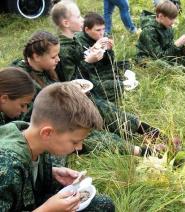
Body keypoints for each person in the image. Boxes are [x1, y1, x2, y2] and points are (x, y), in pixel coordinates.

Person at [12, 31, 160, 157]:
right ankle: (143, 152)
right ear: (36, 56)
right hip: (53, 125)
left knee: (98, 105)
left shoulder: (47, 67)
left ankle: (148, 130)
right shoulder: (22, 79)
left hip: (63, 109)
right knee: (86, 133)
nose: (57, 59)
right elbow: (27, 116)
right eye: (53, 57)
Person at [0, 82, 115, 211]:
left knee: (103, 205)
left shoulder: (34, 138)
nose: (79, 147)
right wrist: (47, 210)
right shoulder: (6, 165)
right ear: (47, 133)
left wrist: (52, 172)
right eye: (74, 142)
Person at [75, 12, 126, 101]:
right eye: (98, 30)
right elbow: (80, 70)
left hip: (101, 70)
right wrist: (93, 49)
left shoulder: (103, 36)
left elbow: (109, 62)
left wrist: (109, 50)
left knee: (125, 66)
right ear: (87, 30)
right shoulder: (78, 41)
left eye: (103, 29)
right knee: (117, 85)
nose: (102, 33)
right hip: (89, 76)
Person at [136, 0, 185, 65]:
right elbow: (159, 58)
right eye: (171, 19)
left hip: (164, 56)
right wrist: (176, 45)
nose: (173, 22)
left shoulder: (167, 26)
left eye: (174, 18)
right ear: (161, 16)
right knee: (169, 66)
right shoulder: (149, 31)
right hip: (149, 59)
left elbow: (168, 47)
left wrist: (184, 47)